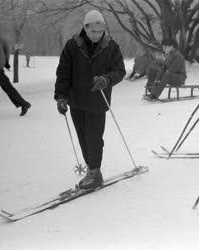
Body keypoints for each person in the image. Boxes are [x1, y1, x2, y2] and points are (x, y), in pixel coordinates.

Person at [54, 10, 126, 190]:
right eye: (93, 31)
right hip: (76, 100)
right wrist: (61, 96)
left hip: (98, 101)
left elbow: (119, 71)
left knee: (94, 138)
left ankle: (95, 173)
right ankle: (91, 170)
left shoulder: (111, 46)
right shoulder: (72, 45)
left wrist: (106, 79)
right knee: (83, 138)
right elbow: (63, 72)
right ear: (85, 29)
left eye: (100, 31)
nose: (97, 35)